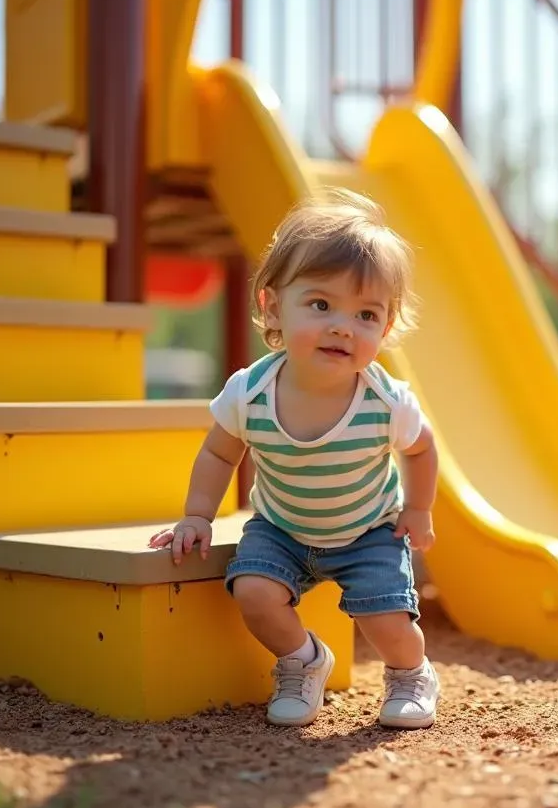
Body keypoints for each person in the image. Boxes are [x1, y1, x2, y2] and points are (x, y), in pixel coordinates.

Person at [148, 189, 441, 730]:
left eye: (366, 314)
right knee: (254, 594)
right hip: (281, 527)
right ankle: (303, 660)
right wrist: (197, 514)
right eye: (321, 304)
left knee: (387, 622)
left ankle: (410, 672)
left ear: (386, 325)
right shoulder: (250, 391)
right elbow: (219, 451)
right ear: (272, 304)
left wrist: (418, 509)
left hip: (368, 531)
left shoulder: (386, 400)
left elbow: (422, 448)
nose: (342, 326)